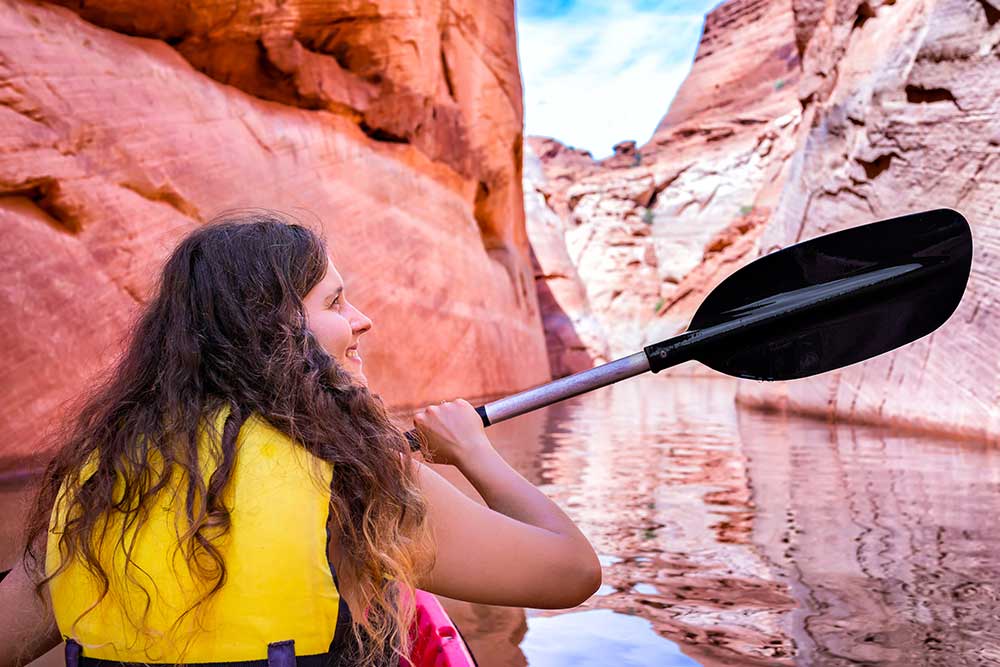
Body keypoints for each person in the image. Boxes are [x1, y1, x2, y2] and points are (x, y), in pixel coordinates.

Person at [0, 211, 601, 667]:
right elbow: (571, 573)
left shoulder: (100, 478)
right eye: (336, 300)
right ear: (277, 328)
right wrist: (476, 454)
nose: (362, 319)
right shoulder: (352, 478)